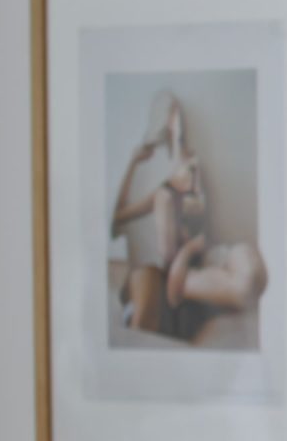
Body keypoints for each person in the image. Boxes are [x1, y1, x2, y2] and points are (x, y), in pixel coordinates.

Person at [111, 92, 267, 340]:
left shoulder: (192, 167)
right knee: (244, 287)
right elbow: (117, 220)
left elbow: (183, 155)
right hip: (185, 274)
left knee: (253, 270)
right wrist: (132, 163)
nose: (192, 174)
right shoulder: (161, 194)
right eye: (172, 121)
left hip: (211, 257)